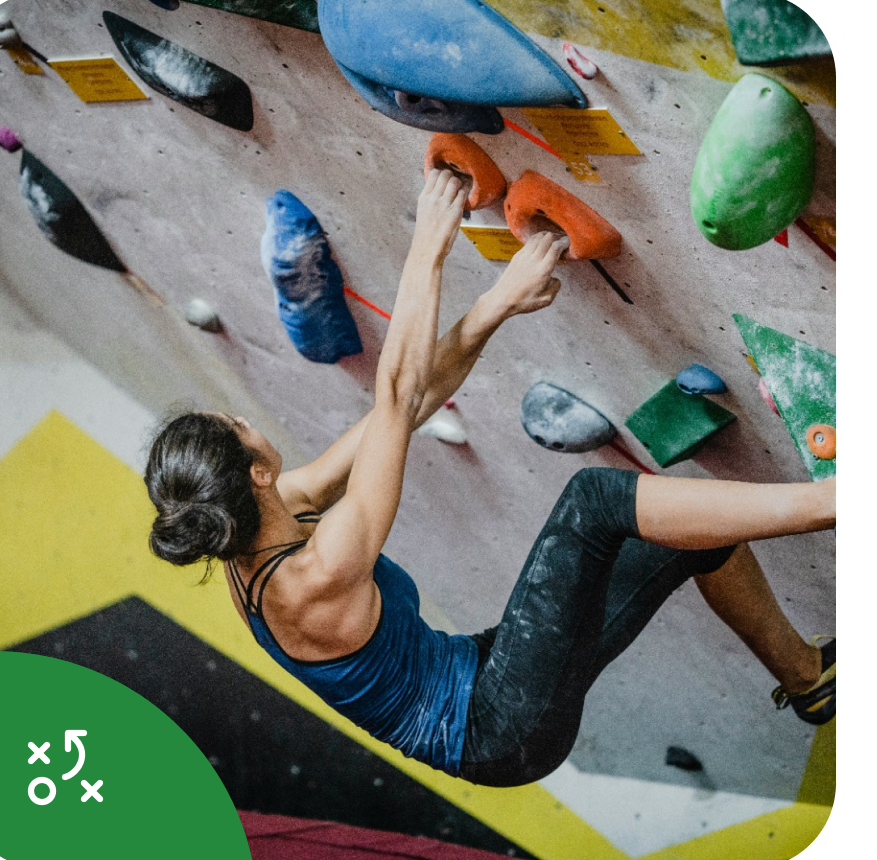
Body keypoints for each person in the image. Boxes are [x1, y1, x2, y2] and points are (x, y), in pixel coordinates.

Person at [145, 170, 836, 787]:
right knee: (593, 502)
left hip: (487, 673)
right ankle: (826, 502)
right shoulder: (313, 579)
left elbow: (407, 405)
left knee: (695, 529)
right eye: (236, 424)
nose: (243, 417)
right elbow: (396, 393)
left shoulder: (262, 518)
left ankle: (810, 680)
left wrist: (497, 304)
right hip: (498, 731)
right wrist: (429, 242)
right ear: (256, 472)